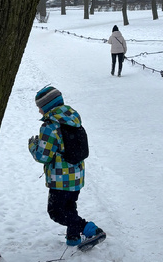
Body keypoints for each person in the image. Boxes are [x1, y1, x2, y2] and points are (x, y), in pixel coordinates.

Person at [28, 85, 106, 249]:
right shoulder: (73, 119)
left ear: (47, 106)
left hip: (60, 178)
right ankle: (73, 238)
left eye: (40, 108)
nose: (40, 112)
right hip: (76, 174)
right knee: (69, 207)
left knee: (56, 212)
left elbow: (43, 156)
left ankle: (91, 229)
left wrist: (32, 145)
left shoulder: (50, 126)